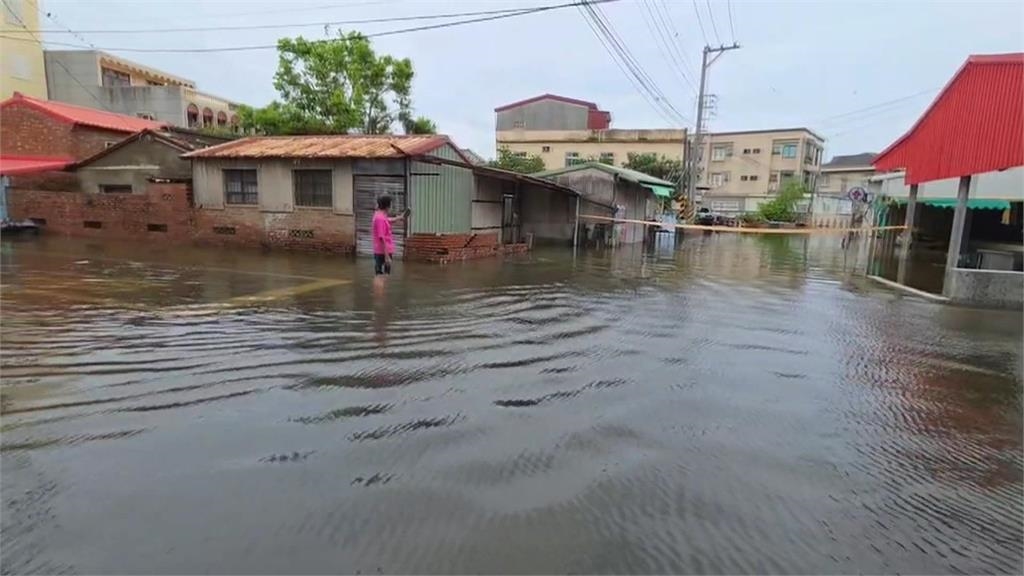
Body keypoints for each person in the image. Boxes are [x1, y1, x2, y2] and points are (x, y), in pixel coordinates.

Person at [371, 195, 410, 275]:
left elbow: (387, 220)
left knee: (383, 277)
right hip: (382, 252)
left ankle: (380, 287)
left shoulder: (379, 215)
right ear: (387, 206)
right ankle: (378, 287)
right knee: (381, 277)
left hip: (381, 251)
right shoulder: (380, 218)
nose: (391, 207)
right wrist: (386, 256)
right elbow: (381, 238)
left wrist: (399, 218)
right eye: (390, 205)